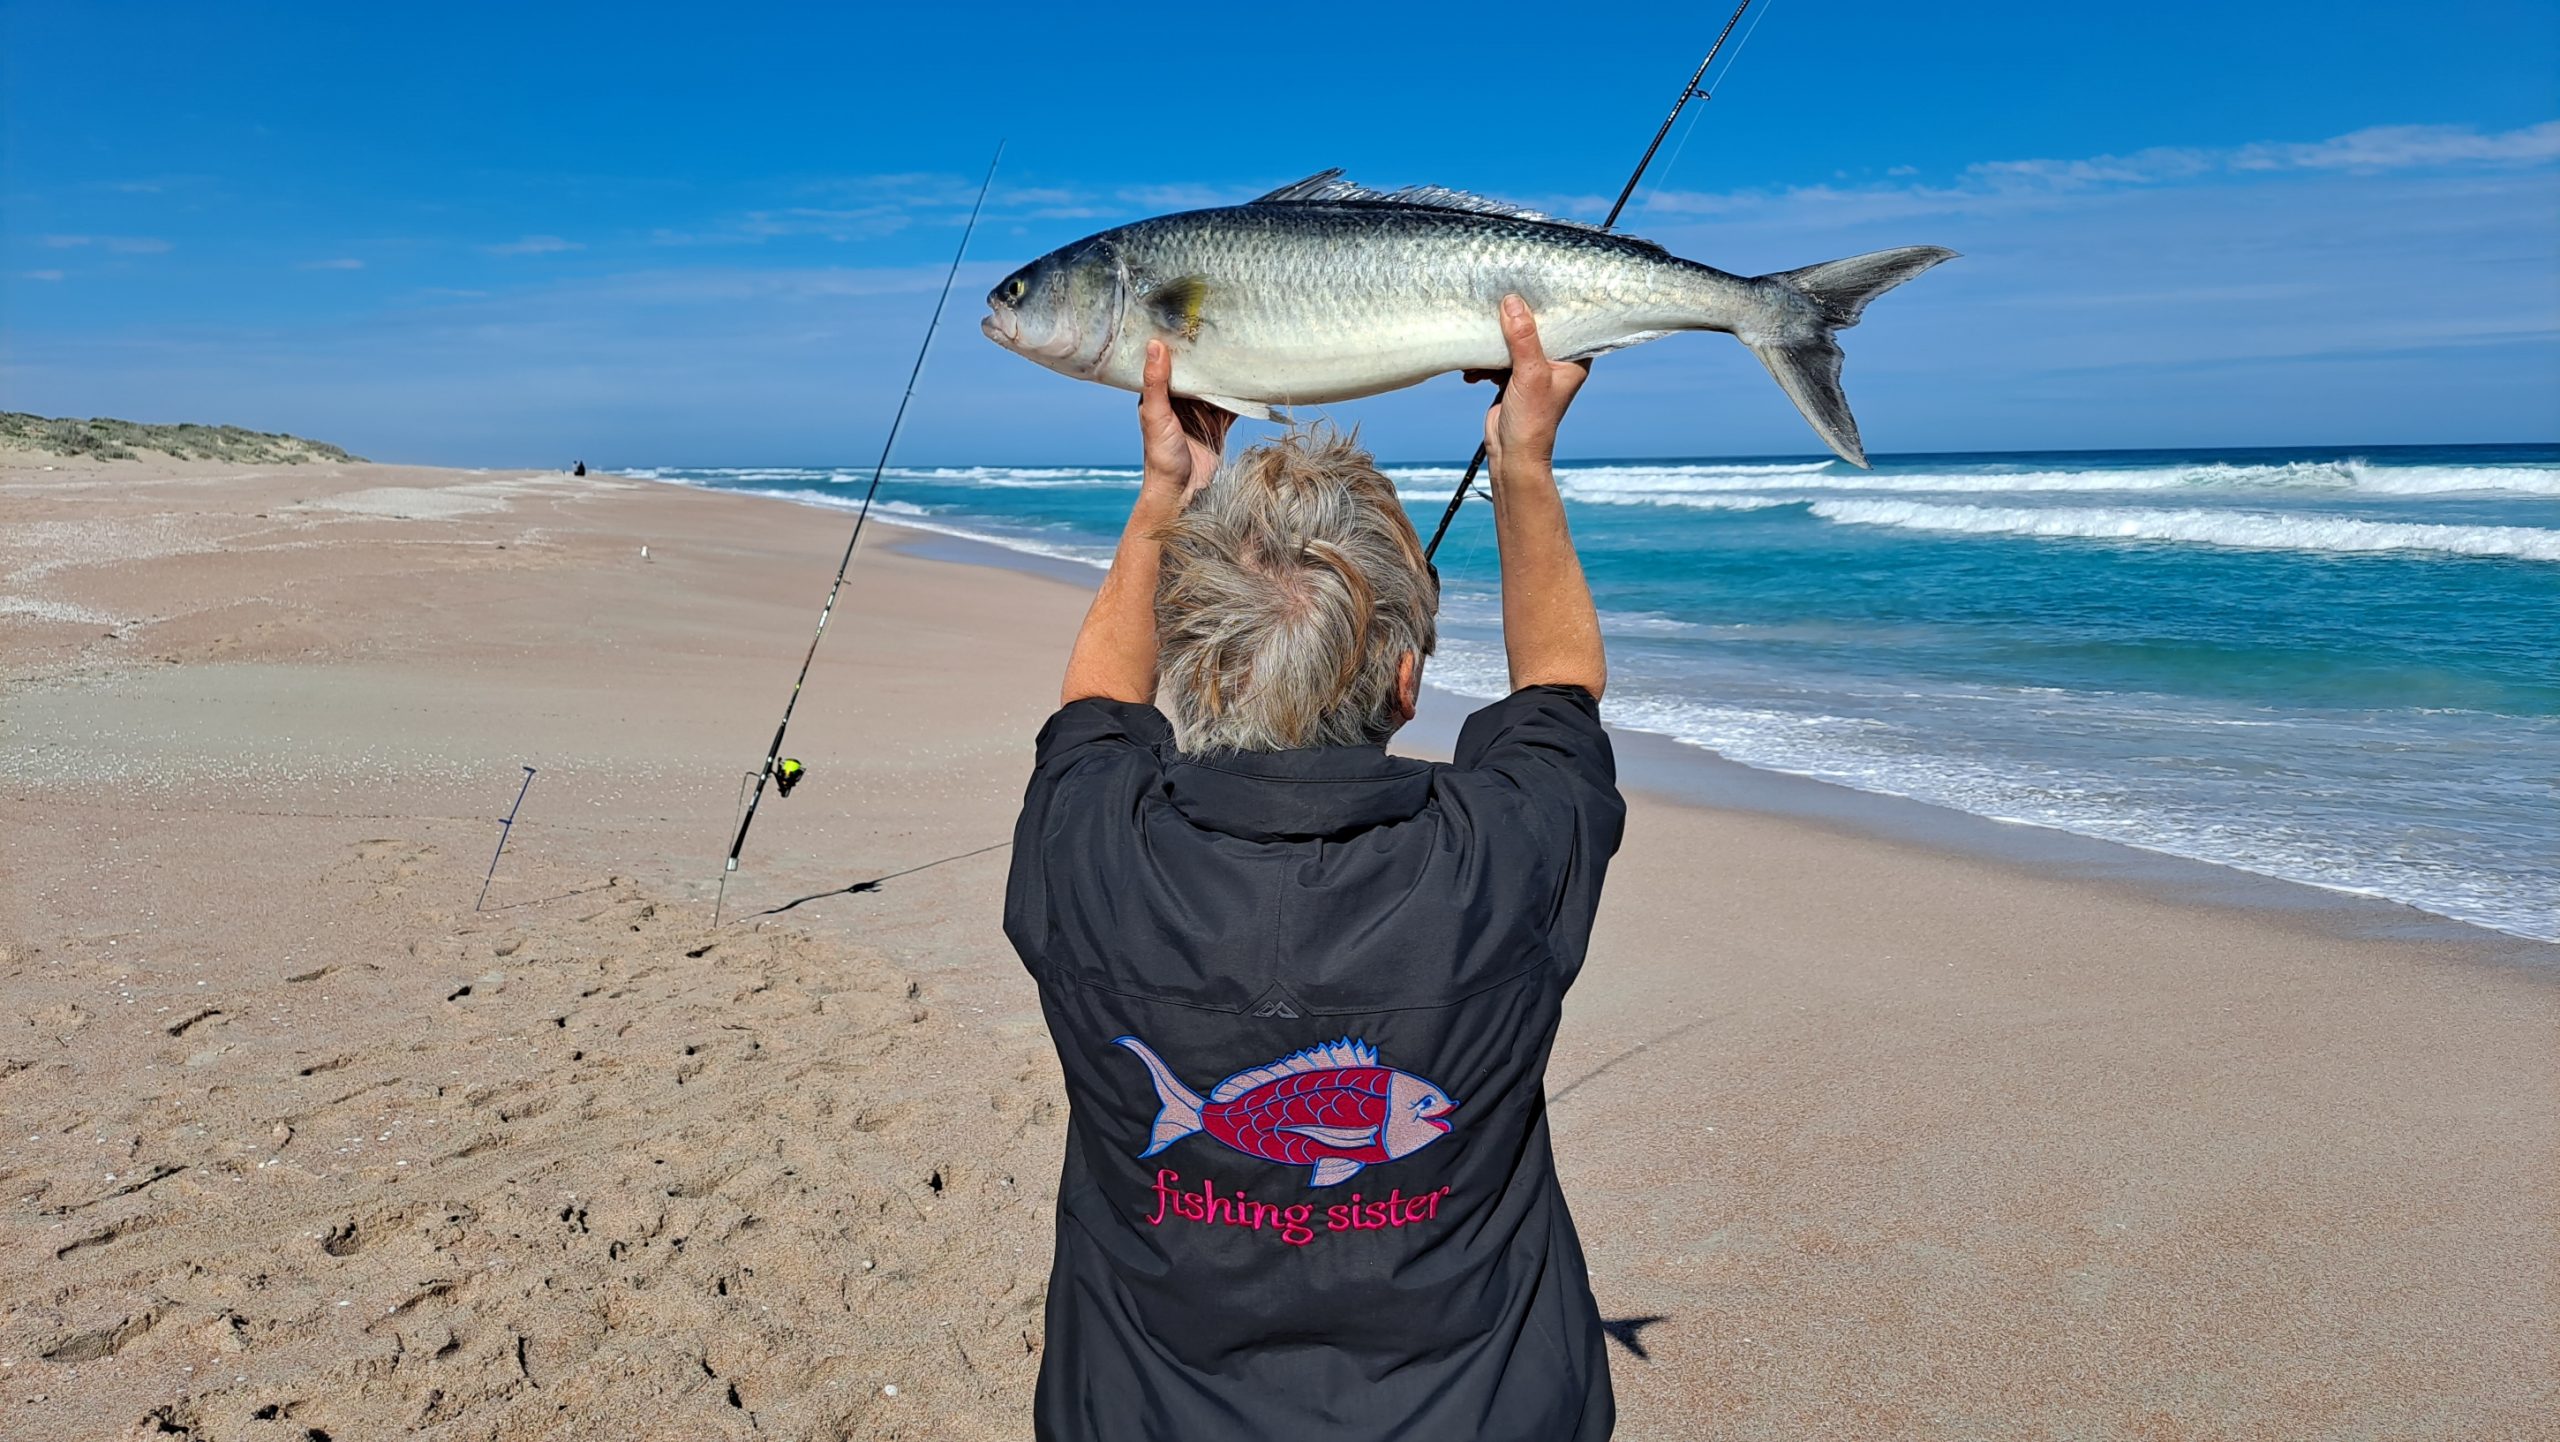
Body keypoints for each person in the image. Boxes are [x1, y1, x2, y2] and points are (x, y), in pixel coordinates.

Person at [1004, 295, 1624, 1442]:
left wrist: (1166, 494)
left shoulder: (1085, 844)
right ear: (1404, 685)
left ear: (1192, 662)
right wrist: (1522, 464)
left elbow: (1094, 706)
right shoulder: (1502, 853)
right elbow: (1558, 697)